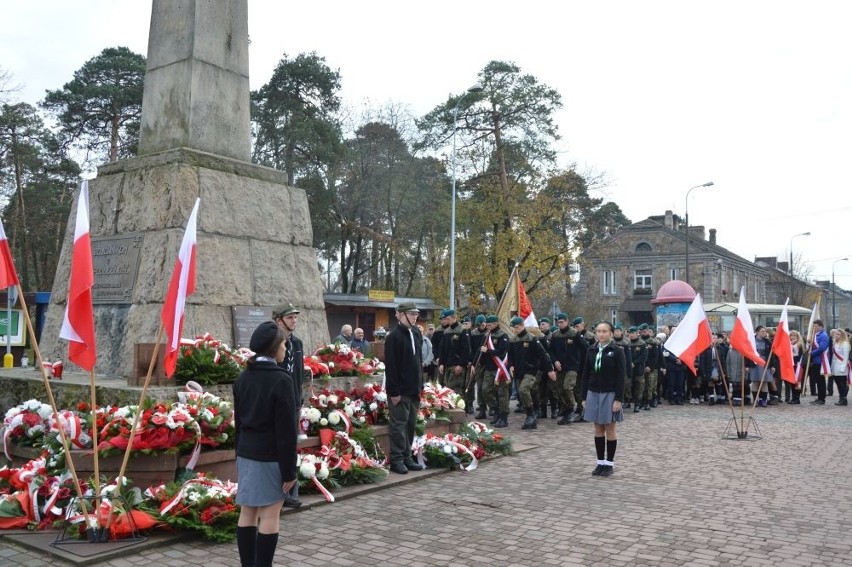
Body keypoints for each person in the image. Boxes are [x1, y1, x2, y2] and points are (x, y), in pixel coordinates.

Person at [233, 321, 298, 567]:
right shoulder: (281, 379)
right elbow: (286, 430)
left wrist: (239, 454)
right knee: (271, 514)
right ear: (274, 348)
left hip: (247, 454)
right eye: (283, 343)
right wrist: (289, 470)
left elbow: (237, 422)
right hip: (271, 456)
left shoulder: (243, 378)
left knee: (247, 511)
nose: (285, 348)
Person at [384, 302, 426, 475]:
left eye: (416, 314)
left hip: (414, 388)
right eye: (411, 313)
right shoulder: (393, 337)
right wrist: (394, 392)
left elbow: (418, 362)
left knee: (410, 424)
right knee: (398, 426)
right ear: (400, 315)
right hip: (400, 391)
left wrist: (420, 386)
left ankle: (407, 456)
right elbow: (391, 367)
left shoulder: (416, 332)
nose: (415, 317)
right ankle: (397, 459)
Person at [580, 321, 625, 477]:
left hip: (610, 393)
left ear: (611, 333)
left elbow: (621, 377)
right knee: (598, 428)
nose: (601, 334)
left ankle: (609, 464)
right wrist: (583, 396)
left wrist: (618, 399)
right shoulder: (591, 350)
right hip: (593, 392)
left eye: (604, 331)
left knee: (609, 428)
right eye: (598, 331)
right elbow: (585, 374)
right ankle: (600, 462)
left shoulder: (617, 351)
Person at [272, 303, 304, 508]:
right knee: (279, 445)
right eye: (290, 317)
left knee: (291, 444)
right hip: (278, 403)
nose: (294, 320)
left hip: (294, 400)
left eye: (295, 317)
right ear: (279, 320)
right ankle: (279, 491)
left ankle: (291, 490)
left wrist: (299, 396)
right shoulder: (273, 344)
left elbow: (298, 373)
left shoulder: (297, 343)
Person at [508, 316, 556, 430]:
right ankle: (534, 413)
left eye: (517, 327)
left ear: (522, 325)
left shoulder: (532, 338)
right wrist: (510, 365)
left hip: (531, 370)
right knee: (531, 393)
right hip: (519, 372)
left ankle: (529, 415)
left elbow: (543, 355)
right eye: (514, 328)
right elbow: (510, 356)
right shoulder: (513, 340)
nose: (515, 330)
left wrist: (550, 369)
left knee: (523, 390)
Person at [480, 315, 511, 427]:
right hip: (489, 368)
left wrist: (488, 351)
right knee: (485, 390)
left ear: (496, 323)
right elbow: (481, 352)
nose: (488, 327)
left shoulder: (503, 335)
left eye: (490, 325)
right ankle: (496, 410)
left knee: (502, 393)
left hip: (500, 368)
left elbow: (502, 352)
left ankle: (504, 416)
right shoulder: (486, 335)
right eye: (487, 325)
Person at [829, 329, 850, 406]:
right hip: (835, 366)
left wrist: (843, 367)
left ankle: (843, 399)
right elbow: (834, 356)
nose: (837, 336)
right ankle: (842, 398)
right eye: (836, 334)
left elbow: (845, 357)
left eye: (838, 334)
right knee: (838, 383)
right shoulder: (835, 343)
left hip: (842, 366)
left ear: (842, 335)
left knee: (842, 384)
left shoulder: (845, 344)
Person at [787, 329, 805, 404]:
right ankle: (793, 397)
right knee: (792, 381)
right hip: (792, 364)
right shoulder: (789, 343)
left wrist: (791, 345)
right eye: (791, 335)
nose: (793, 337)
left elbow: (799, 355)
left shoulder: (799, 344)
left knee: (797, 382)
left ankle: (797, 398)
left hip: (798, 365)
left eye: (794, 335)